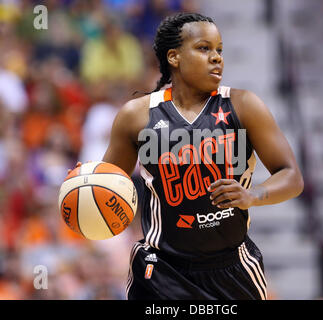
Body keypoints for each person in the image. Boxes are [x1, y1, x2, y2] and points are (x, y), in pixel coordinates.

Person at [99, 12, 304, 300]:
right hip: (161, 270)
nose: (216, 57)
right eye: (204, 48)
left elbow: (292, 176)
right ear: (174, 57)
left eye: (219, 50)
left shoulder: (244, 105)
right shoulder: (136, 115)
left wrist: (253, 195)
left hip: (232, 268)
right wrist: (87, 185)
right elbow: (109, 190)